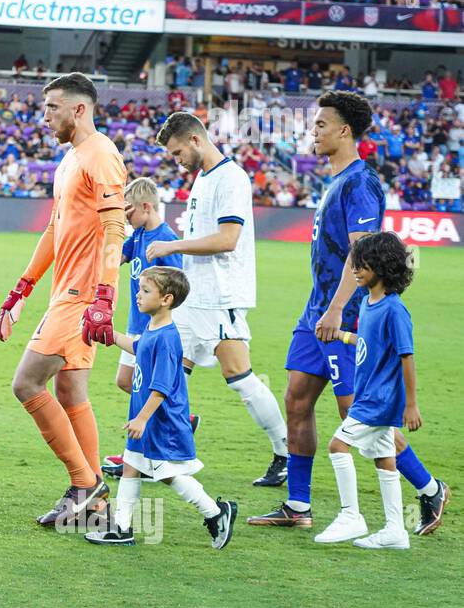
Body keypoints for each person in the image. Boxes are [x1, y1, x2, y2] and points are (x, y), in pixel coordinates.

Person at [250, 91, 446, 534]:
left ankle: (430, 488)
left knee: (356, 414)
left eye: (320, 124)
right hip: (316, 310)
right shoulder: (336, 180)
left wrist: (338, 308)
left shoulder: (361, 183)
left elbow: (363, 254)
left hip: (348, 315)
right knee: (297, 400)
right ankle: (298, 504)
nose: (313, 131)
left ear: (343, 130)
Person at [0, 72, 126, 526]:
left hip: (84, 295)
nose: (44, 115)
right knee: (69, 388)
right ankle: (94, 504)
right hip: (66, 293)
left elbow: (116, 228)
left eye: (52, 106)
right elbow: (56, 228)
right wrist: (23, 287)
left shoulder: (102, 156)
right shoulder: (70, 159)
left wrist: (105, 297)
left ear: (79, 109)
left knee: (26, 383)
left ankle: (85, 483)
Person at [145, 112, 290, 480]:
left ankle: (285, 454)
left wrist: (171, 247)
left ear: (195, 140)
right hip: (194, 297)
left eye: (178, 152)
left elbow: (228, 239)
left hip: (220, 295)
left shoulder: (231, 178)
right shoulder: (203, 179)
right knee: (171, 373)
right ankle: (159, 453)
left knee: (239, 377)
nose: (176, 160)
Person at [84, 267, 238, 548]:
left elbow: (162, 387)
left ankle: (216, 513)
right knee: (131, 465)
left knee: (168, 474)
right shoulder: (153, 326)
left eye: (145, 291)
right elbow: (140, 347)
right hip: (147, 416)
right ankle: (121, 528)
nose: (138, 295)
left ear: (166, 299)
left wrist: (142, 419)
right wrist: (109, 335)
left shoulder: (168, 337)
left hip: (160, 420)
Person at [315, 233, 444, 549]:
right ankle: (395, 531)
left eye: (362, 265)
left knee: (337, 446)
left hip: (379, 399)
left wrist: (411, 404)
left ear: (382, 267)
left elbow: (406, 355)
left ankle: (351, 516)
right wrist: (342, 337)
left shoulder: (394, 309)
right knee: (384, 458)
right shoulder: (369, 303)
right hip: (369, 394)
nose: (356, 271)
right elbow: (369, 344)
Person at [102, 176, 191, 478]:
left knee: (148, 388)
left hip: (153, 331)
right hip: (135, 326)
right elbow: (117, 257)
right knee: (125, 382)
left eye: (128, 211)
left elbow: (176, 289)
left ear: (146, 206)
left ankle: (144, 451)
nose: (126, 217)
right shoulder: (138, 235)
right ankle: (164, 431)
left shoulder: (165, 240)